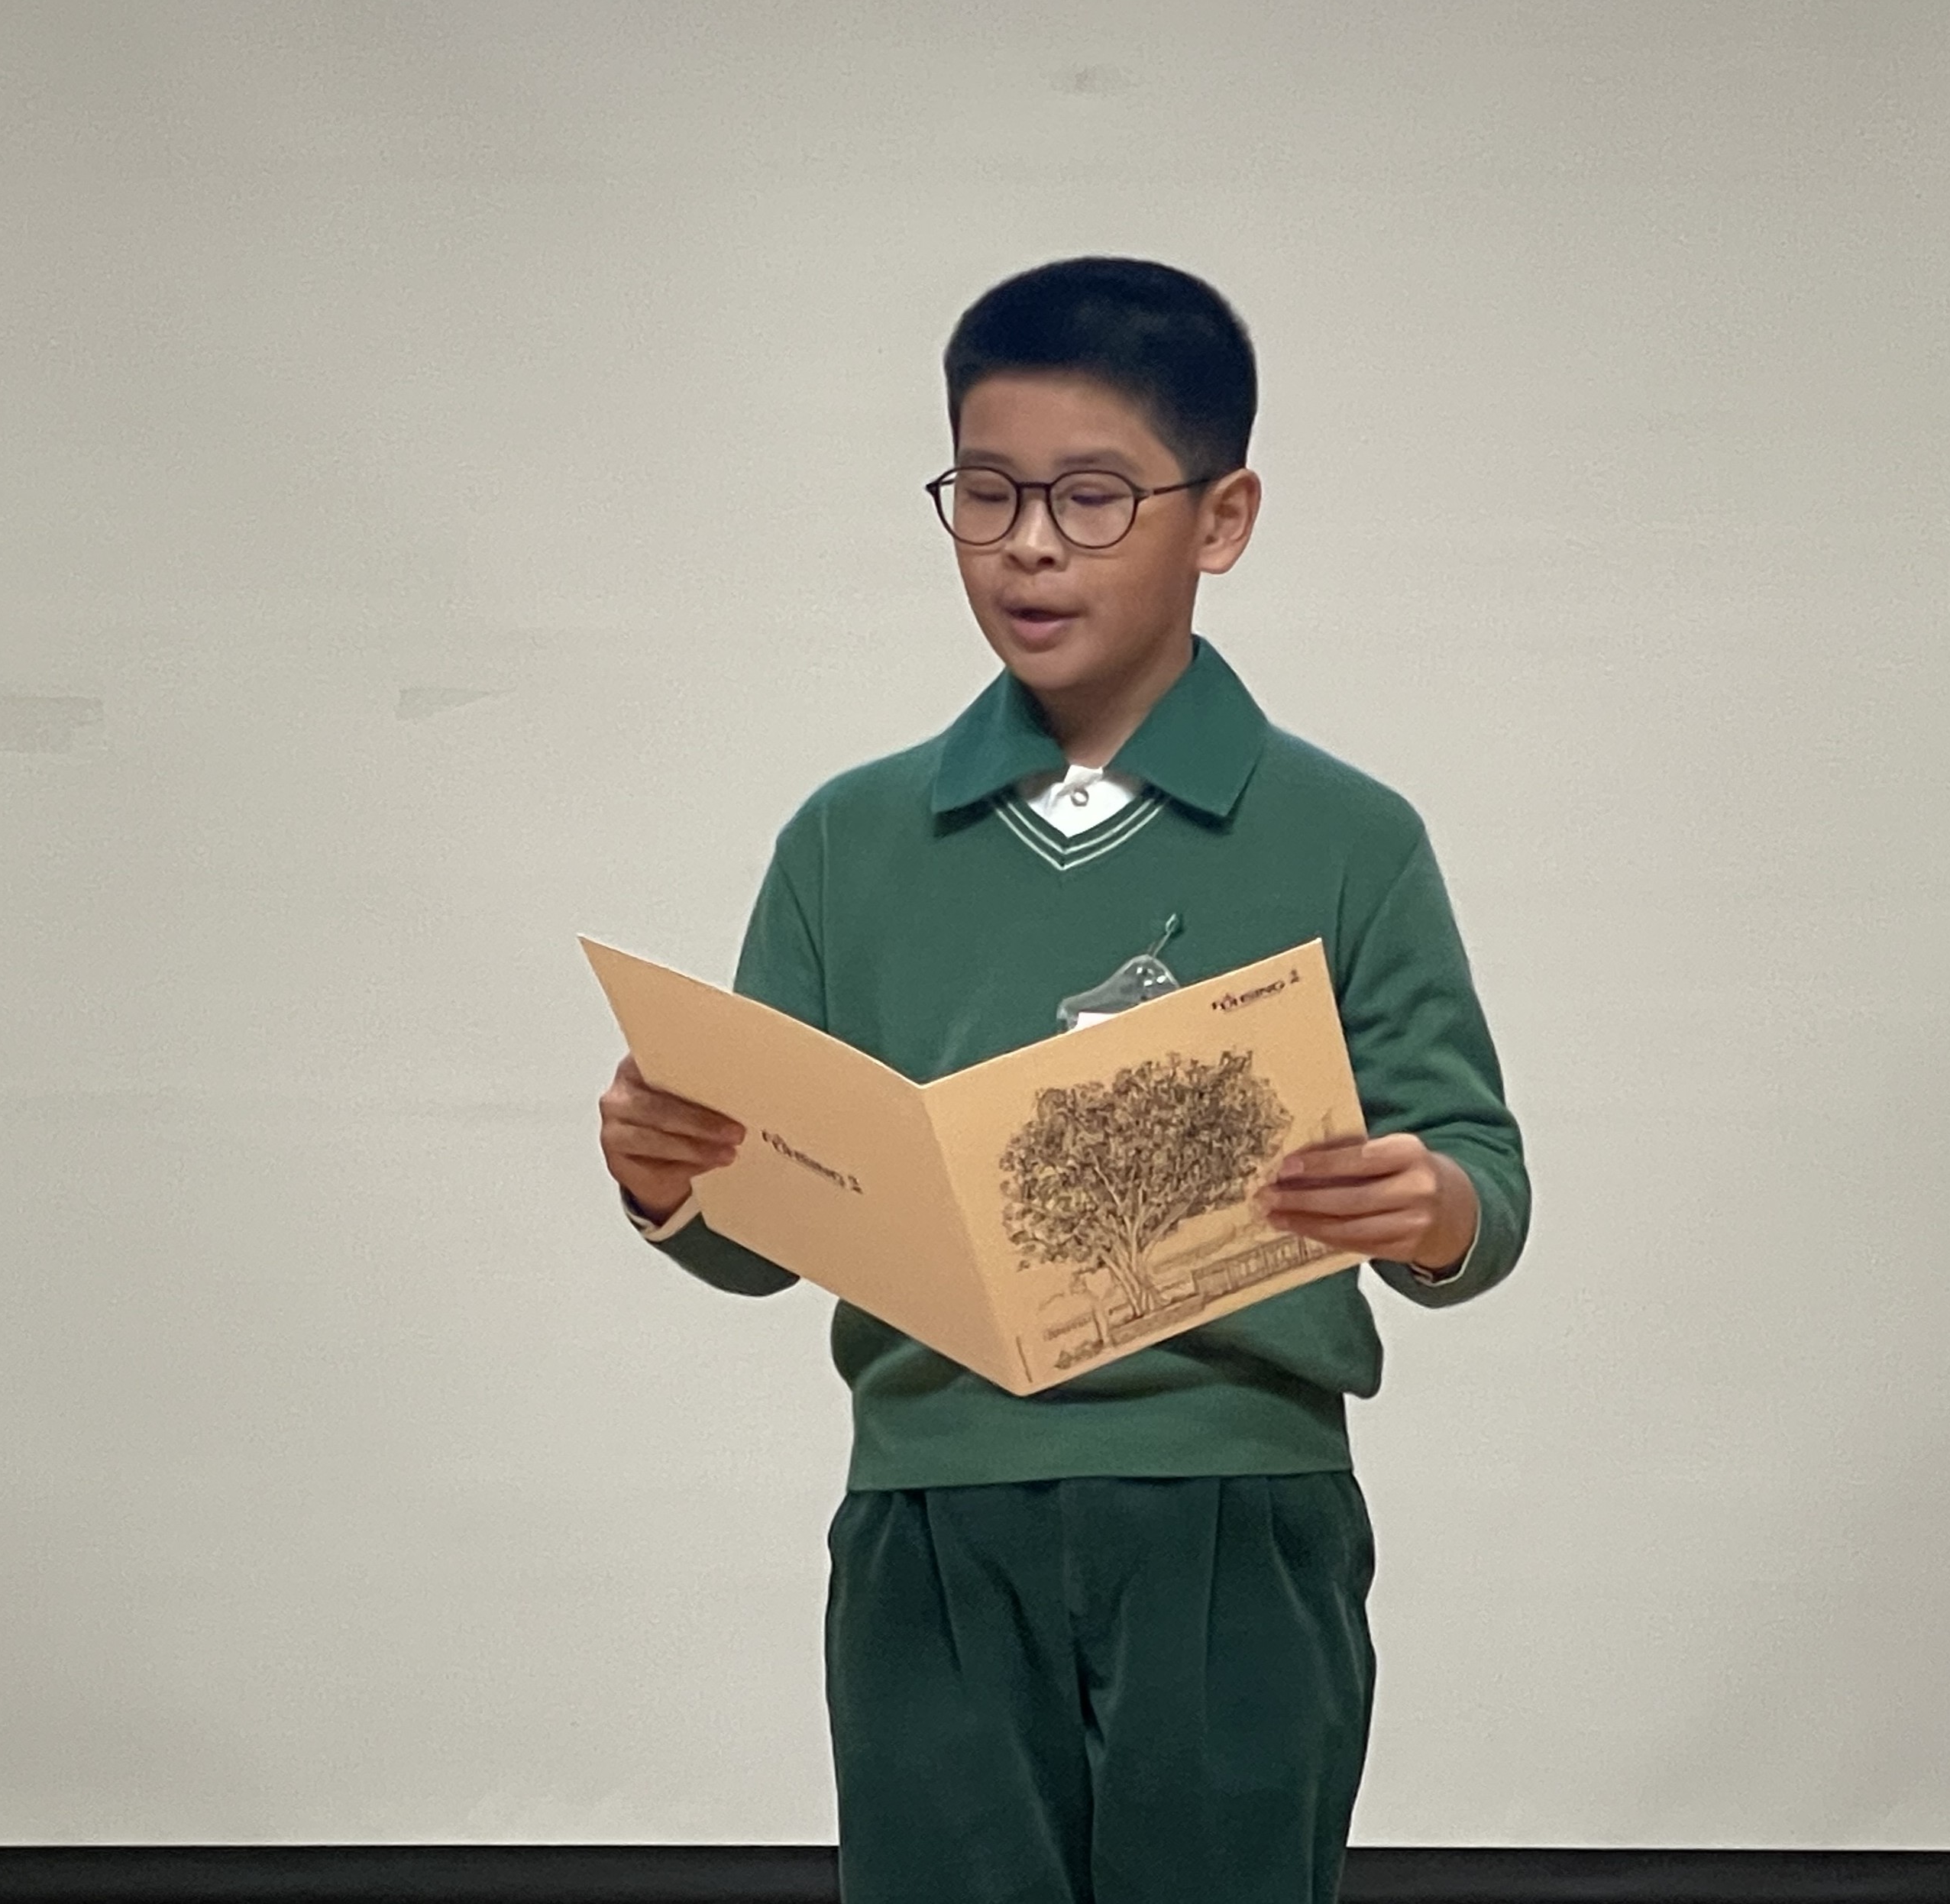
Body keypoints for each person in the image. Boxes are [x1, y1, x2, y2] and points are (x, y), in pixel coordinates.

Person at [596, 255, 1529, 1904]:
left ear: (1222, 518)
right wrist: (672, 1179)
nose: (1029, 543)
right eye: (987, 492)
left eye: (1093, 497)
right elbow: (762, 1230)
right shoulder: (848, 840)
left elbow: (1479, 1179)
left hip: (1237, 1505)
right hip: (931, 1509)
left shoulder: (1346, 835)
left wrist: (1430, 1200)